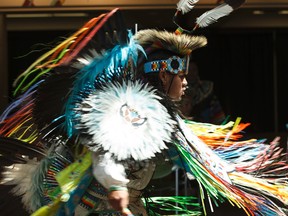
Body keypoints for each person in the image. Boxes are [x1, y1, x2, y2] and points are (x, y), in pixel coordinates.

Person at [0, 7, 288, 216]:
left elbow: (194, 158)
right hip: (73, 197)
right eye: (182, 76)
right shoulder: (134, 108)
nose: (187, 83)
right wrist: (116, 187)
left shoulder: (159, 113)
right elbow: (106, 153)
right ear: (164, 76)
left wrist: (247, 184)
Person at [179, 61, 226, 125]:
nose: (191, 73)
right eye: (189, 70)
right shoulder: (177, 91)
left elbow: (218, 114)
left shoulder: (207, 90)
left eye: (194, 70)